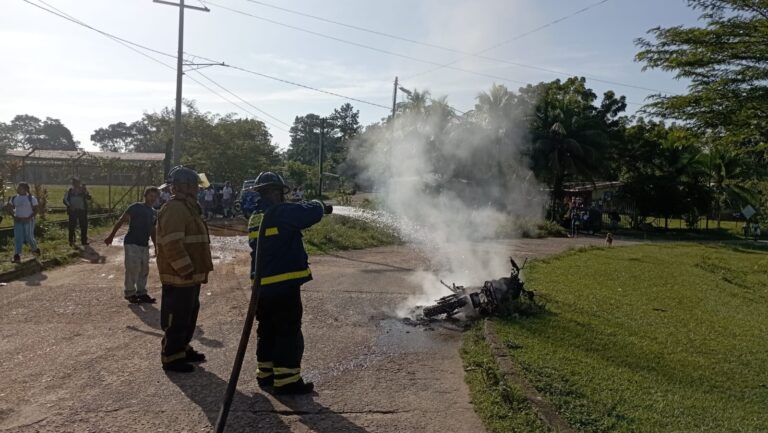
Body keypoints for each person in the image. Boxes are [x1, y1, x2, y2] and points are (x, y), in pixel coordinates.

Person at [248, 171, 331, 395]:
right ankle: (287, 380)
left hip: (262, 287)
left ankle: (266, 374)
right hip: (283, 285)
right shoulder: (281, 212)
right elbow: (311, 213)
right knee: (287, 331)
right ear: (276, 191)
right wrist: (318, 203)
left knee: (267, 329)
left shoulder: (256, 215)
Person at [156, 166, 214, 373]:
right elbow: (172, 243)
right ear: (182, 186)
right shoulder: (175, 209)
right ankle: (171, 356)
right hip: (179, 276)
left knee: (188, 314)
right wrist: (185, 268)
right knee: (177, 316)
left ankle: (182, 347)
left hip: (189, 276)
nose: (198, 190)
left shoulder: (188, 207)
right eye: (194, 187)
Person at [104, 187, 160, 304]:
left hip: (144, 244)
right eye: (151, 195)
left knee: (144, 269)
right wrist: (111, 236)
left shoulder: (154, 212)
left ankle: (142, 293)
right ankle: (130, 293)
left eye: (155, 196)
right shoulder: (136, 207)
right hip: (132, 242)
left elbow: (152, 230)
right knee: (132, 268)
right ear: (145, 196)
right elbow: (121, 220)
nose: (152, 198)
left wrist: (155, 246)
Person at [6, 182, 40, 263]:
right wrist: (14, 217)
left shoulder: (31, 198)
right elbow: (9, 208)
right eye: (18, 187)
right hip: (18, 221)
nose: (18, 189)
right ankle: (17, 255)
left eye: (20, 188)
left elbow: (36, 210)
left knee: (29, 237)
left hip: (29, 221)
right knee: (18, 238)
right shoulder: (14, 198)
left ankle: (35, 249)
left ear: (25, 189)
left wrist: (29, 218)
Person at [63, 177, 91, 246]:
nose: (76, 184)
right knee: (71, 227)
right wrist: (70, 206)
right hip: (73, 211)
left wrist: (85, 192)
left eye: (77, 183)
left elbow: (89, 198)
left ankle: (84, 241)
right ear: (73, 184)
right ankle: (71, 241)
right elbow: (64, 200)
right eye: (74, 183)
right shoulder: (69, 191)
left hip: (82, 210)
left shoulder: (83, 190)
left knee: (84, 226)